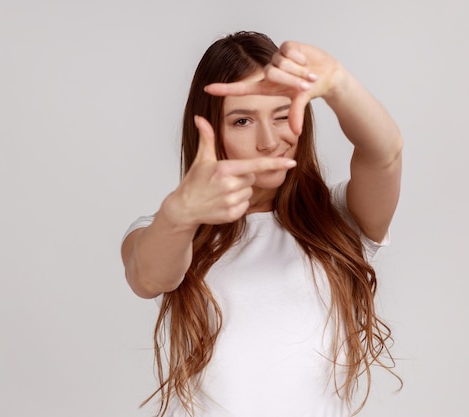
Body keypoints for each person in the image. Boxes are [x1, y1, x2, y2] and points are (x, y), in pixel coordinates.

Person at [121, 31, 403, 417]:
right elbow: (149, 278)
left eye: (282, 115)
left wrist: (337, 83)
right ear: (209, 130)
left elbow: (384, 153)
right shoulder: (171, 227)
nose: (270, 141)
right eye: (242, 121)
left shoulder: (339, 218)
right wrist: (180, 214)